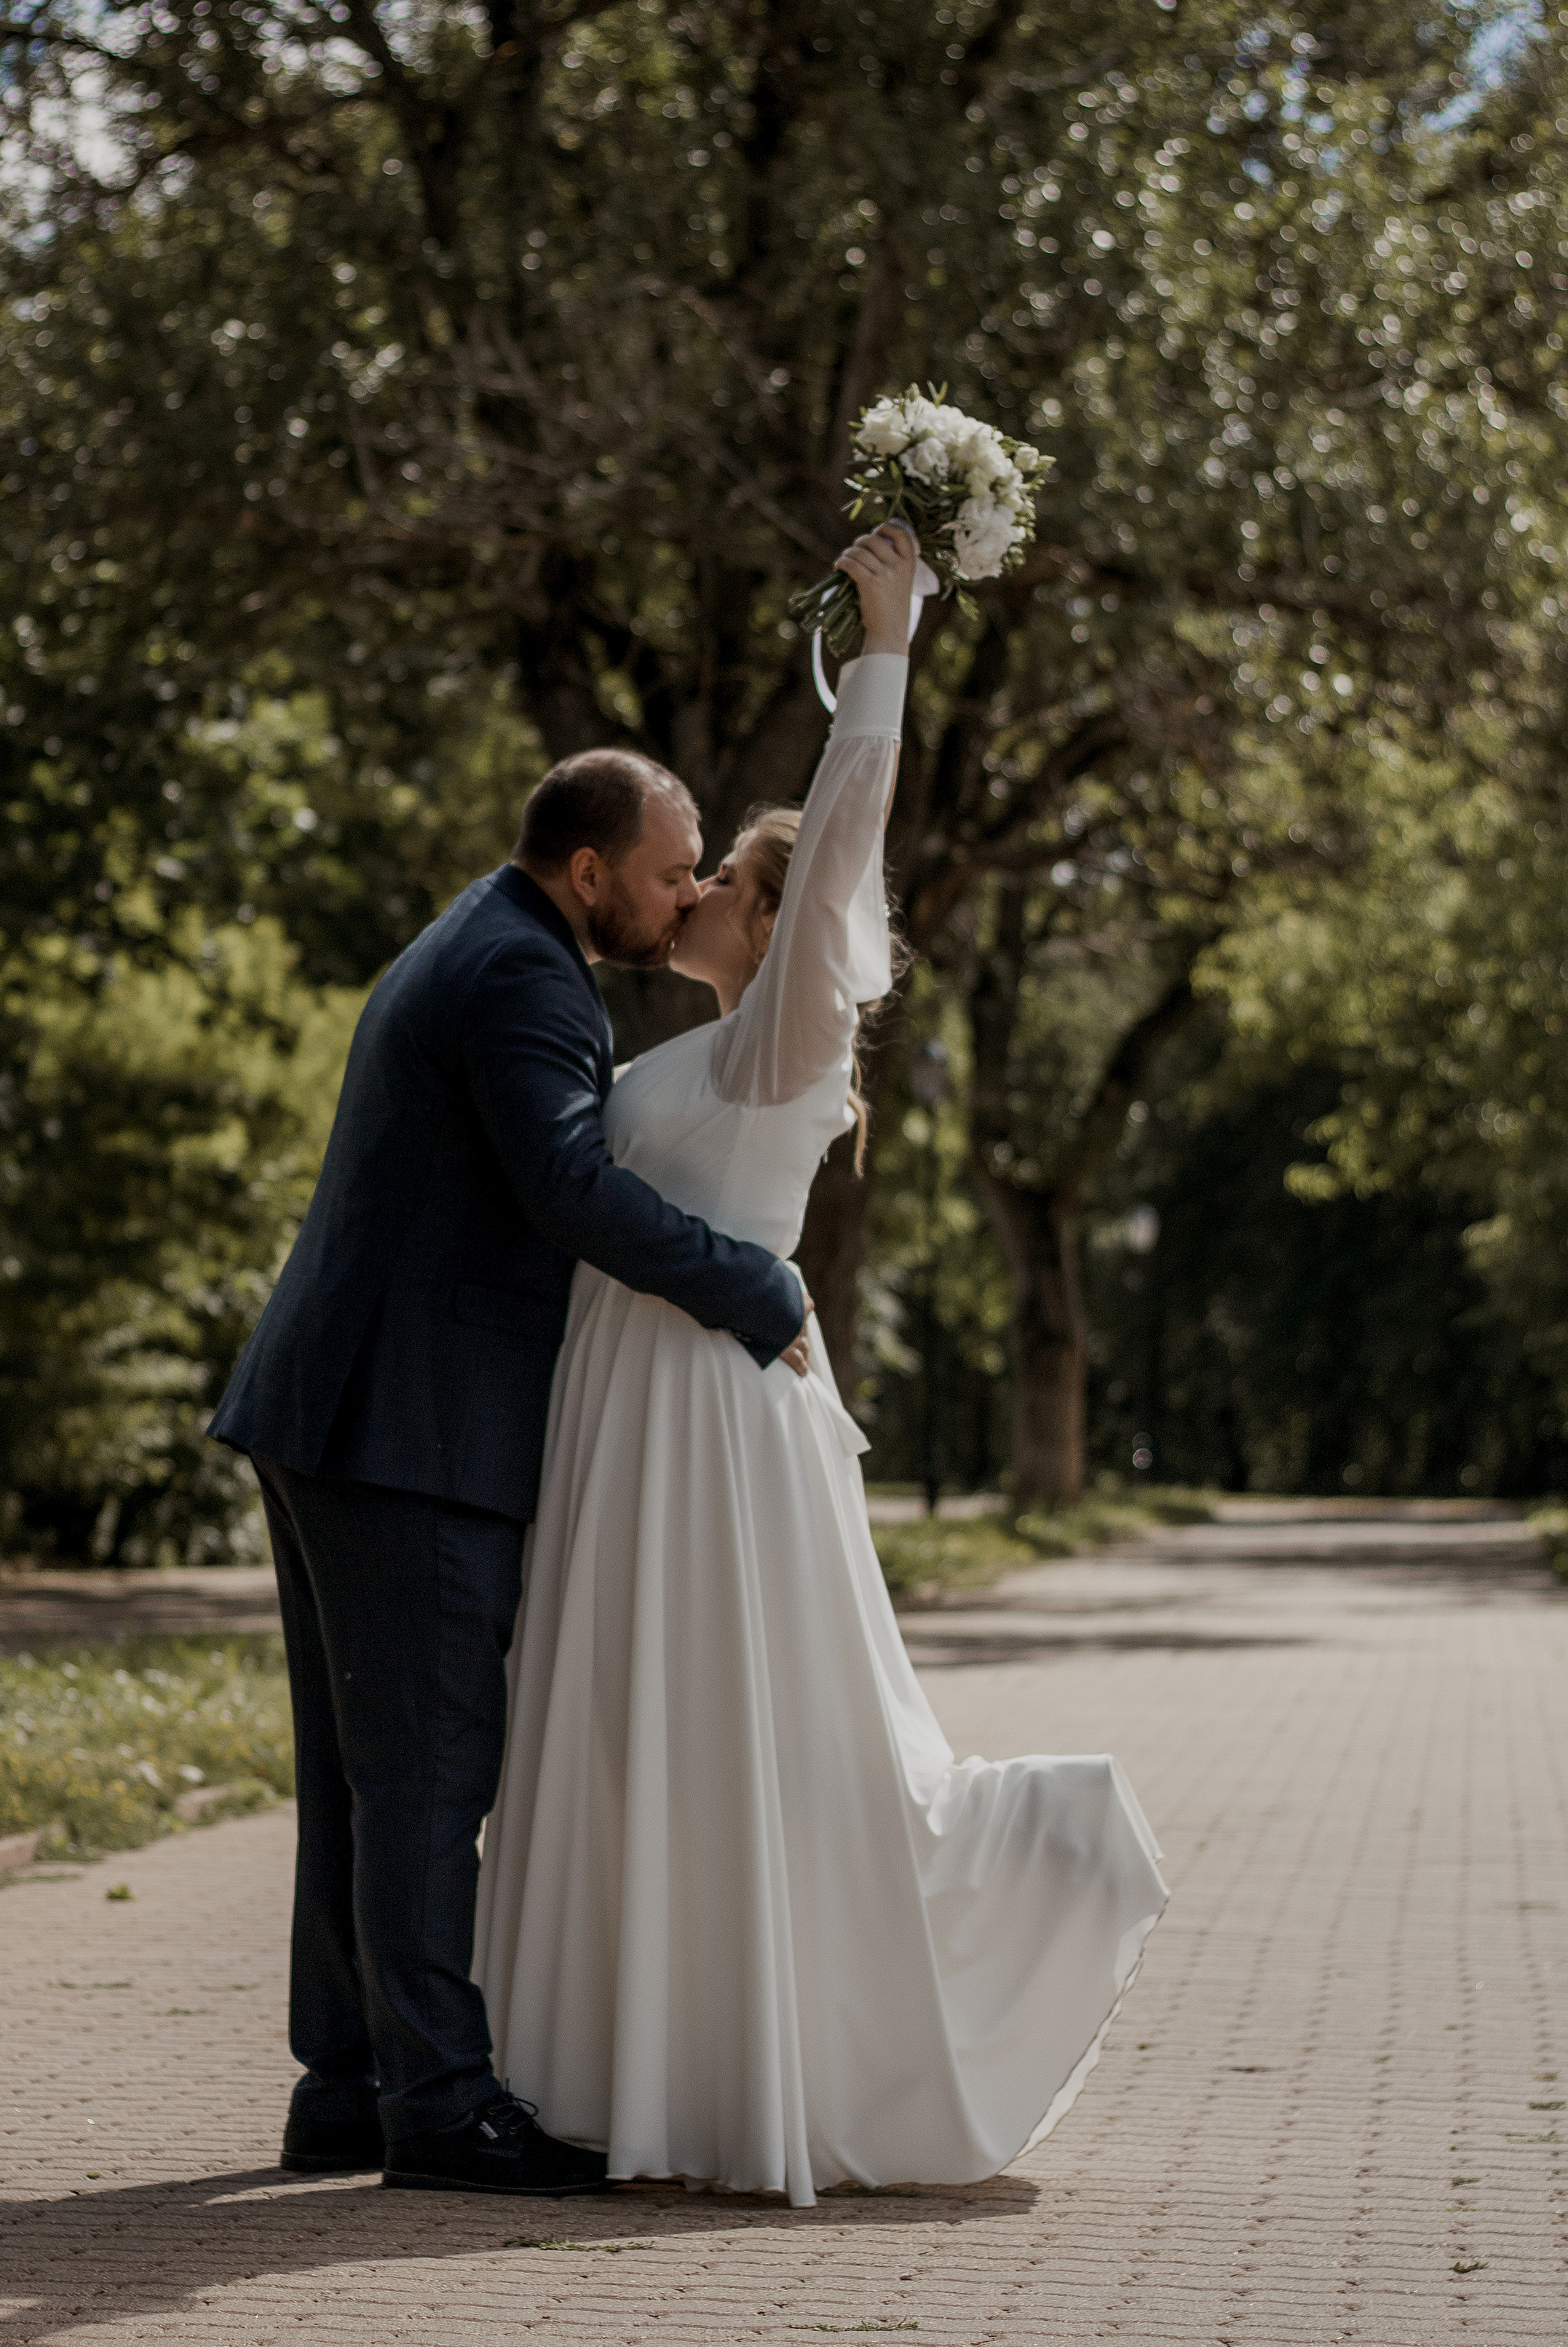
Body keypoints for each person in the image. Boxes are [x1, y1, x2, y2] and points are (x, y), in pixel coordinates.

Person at [473, 523, 1169, 2204]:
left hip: (711, 1422)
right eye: (689, 868)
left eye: (725, 873)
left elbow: (843, 843)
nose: (692, 881)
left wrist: (886, 646)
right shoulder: (691, 1044)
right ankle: (614, 2065)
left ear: (786, 919)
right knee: (644, 1738)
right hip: (627, 1414)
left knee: (746, 1735)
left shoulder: (791, 1036)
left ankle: (1047, 1848)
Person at [207, 741, 808, 2195]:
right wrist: (755, 1285)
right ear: (588, 869)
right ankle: (441, 2108)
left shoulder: (483, 935)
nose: (681, 900)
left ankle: (348, 2086)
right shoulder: (525, 975)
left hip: (341, 1409)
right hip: (405, 1427)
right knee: (424, 1775)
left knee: (365, 1781)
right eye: (670, 873)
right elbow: (565, 1189)